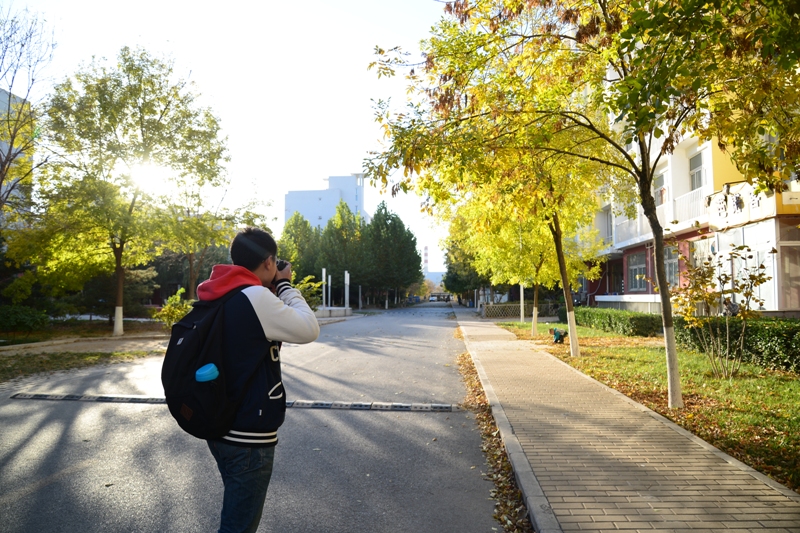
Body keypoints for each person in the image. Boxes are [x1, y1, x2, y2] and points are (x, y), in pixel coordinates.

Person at [196, 226, 320, 533]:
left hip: (219, 427)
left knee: (236, 514)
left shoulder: (217, 292)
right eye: (275, 263)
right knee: (239, 527)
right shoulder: (255, 298)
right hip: (248, 436)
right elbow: (308, 328)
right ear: (268, 262)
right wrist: (286, 285)